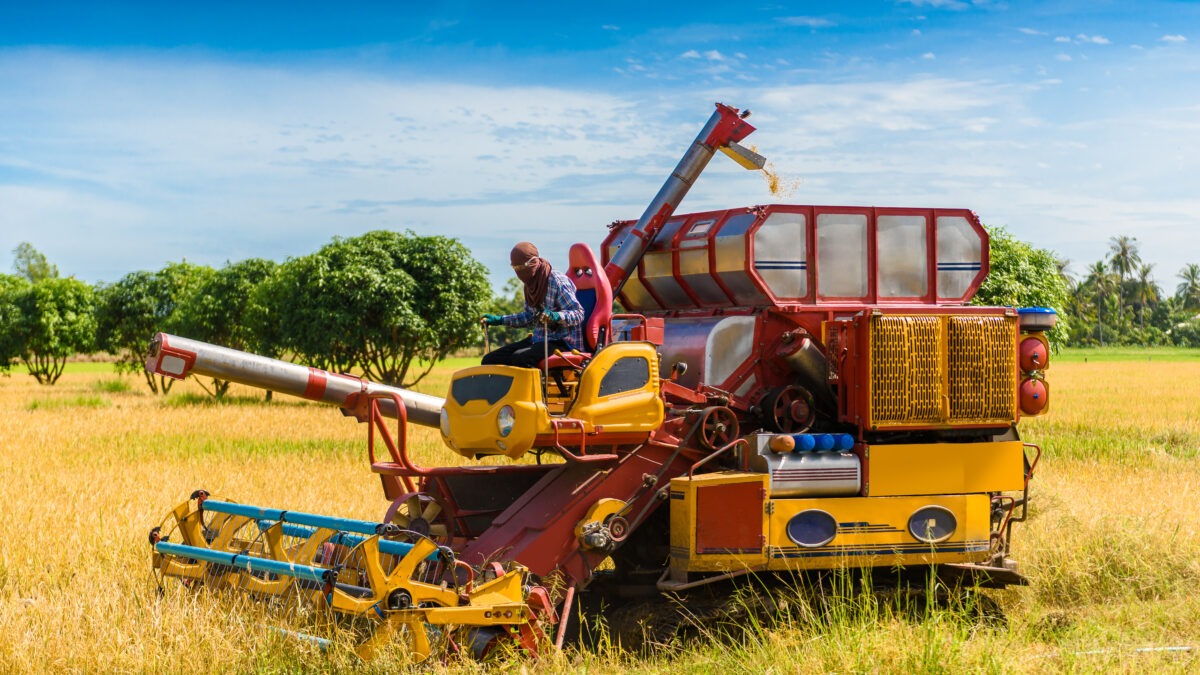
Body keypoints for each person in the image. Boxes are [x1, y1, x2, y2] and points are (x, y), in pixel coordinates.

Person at [481, 242, 585, 368]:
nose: (519, 273)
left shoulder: (556, 280)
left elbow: (579, 313)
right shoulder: (530, 284)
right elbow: (530, 318)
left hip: (562, 341)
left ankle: (538, 388)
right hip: (539, 339)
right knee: (490, 359)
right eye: (515, 269)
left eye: (521, 268)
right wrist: (500, 320)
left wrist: (557, 316)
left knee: (521, 358)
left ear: (533, 262)